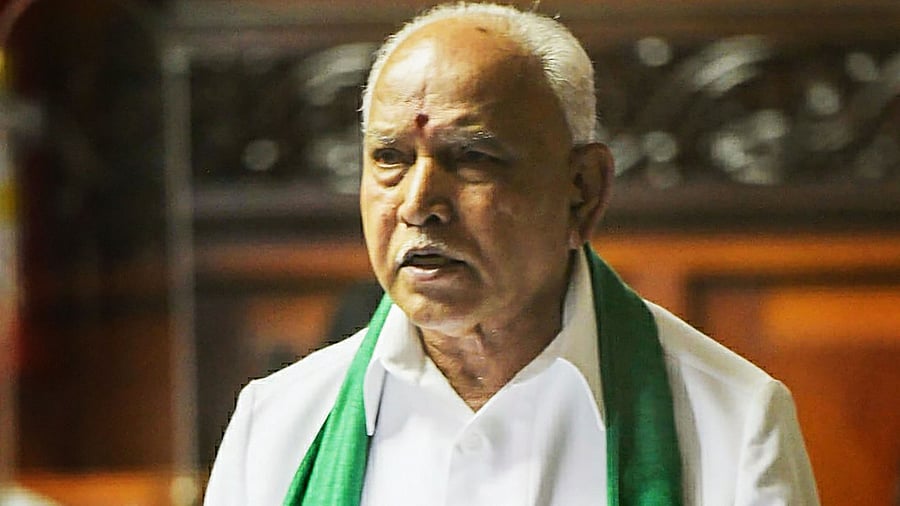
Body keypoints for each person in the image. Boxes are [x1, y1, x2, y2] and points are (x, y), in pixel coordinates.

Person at [203, 3, 820, 505]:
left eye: (472, 157)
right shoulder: (278, 425)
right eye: (390, 158)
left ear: (582, 193)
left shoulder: (733, 424)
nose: (419, 205)